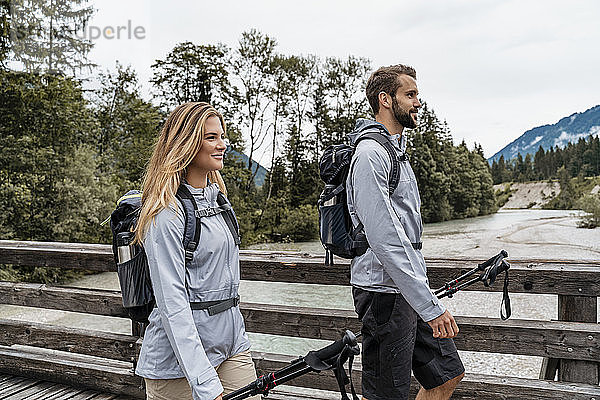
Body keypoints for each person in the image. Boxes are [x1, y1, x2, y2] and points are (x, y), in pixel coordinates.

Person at [346, 65, 465, 400]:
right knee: (387, 396)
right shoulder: (371, 155)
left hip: (406, 287)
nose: (417, 102)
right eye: (410, 95)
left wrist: (422, 295)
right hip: (383, 292)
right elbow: (385, 239)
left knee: (446, 376)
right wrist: (430, 305)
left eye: (417, 95)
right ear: (385, 100)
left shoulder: (395, 151)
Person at [133, 102, 259, 400]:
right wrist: (204, 383)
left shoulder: (219, 202)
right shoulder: (166, 213)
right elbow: (172, 304)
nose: (222, 144)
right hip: (177, 361)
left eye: (222, 136)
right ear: (187, 143)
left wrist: (237, 336)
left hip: (230, 345)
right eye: (211, 137)